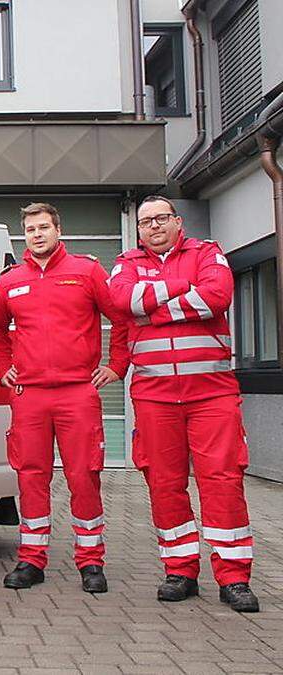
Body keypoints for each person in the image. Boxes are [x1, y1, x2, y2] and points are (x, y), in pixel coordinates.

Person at [108, 195, 259, 612]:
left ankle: (234, 577)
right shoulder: (125, 263)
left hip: (211, 394)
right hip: (155, 397)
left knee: (222, 481)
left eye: (161, 218)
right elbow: (123, 302)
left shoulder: (207, 252)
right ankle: (180, 570)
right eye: (145, 222)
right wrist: (179, 288)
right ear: (138, 230)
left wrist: (150, 310)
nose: (153, 226)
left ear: (178, 222)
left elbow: (216, 297)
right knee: (163, 483)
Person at [0, 202, 129, 594]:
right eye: (30, 229)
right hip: (29, 395)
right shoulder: (11, 280)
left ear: (58, 230)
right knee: (31, 476)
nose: (37, 234)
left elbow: (121, 318)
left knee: (84, 476)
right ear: (24, 235)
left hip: (77, 393)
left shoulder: (87, 271)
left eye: (43, 227)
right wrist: (3, 370)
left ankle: (91, 561)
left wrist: (117, 366)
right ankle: (32, 560)